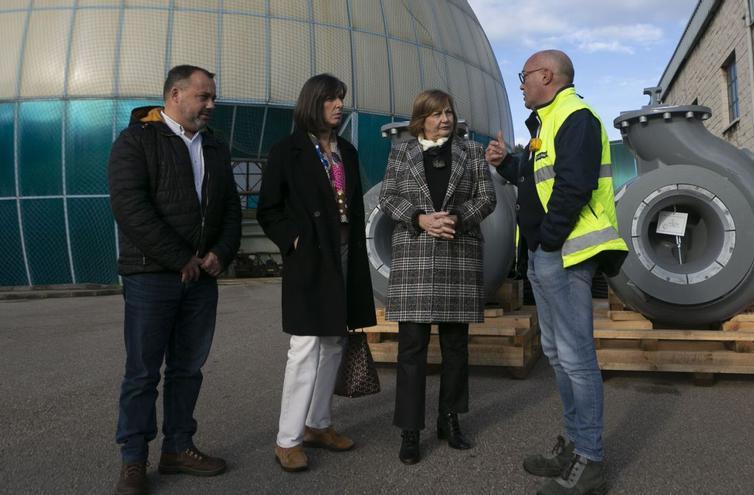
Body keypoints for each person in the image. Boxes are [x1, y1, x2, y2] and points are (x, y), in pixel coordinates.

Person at [485, 50, 628, 495]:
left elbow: (573, 186)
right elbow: (536, 179)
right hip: (547, 255)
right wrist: (505, 163)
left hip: (564, 254)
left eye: (524, 75)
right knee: (558, 353)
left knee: (577, 358)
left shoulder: (575, 117)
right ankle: (575, 447)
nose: (521, 83)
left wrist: (547, 240)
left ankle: (590, 460)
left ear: (547, 76)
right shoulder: (547, 123)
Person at [108, 64, 242, 495]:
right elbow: (130, 208)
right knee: (143, 372)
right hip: (151, 276)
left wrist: (221, 252)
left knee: (188, 369)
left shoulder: (215, 148)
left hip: (201, 278)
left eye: (212, 97)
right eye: (203, 97)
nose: (211, 105)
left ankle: (178, 448)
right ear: (174, 95)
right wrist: (179, 257)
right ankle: (133, 459)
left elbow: (231, 210)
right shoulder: (136, 141)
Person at [257, 73, 376, 473]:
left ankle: (318, 424)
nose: (339, 105)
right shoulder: (285, 151)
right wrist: (294, 241)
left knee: (334, 342)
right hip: (310, 257)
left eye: (341, 98)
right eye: (330, 99)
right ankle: (287, 439)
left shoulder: (348, 151)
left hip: (345, 253)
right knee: (305, 346)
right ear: (313, 102)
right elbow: (268, 209)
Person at [379, 89, 497, 465]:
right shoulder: (401, 152)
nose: (444, 119)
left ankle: (449, 420)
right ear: (421, 119)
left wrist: (456, 218)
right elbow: (388, 196)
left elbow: (486, 198)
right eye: (435, 114)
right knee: (411, 350)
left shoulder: (472, 152)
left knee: (456, 348)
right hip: (415, 257)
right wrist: (419, 219)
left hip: (458, 254)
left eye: (448, 112)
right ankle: (410, 431)